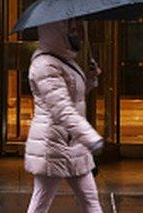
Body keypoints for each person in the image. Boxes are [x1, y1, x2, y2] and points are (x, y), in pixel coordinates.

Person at [25, 20, 104, 213]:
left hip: (71, 144)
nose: (75, 33)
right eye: (70, 28)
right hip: (53, 144)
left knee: (90, 199)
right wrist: (90, 137)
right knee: (41, 202)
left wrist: (90, 79)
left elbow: (72, 98)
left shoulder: (63, 61)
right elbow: (61, 108)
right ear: (56, 32)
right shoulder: (44, 66)